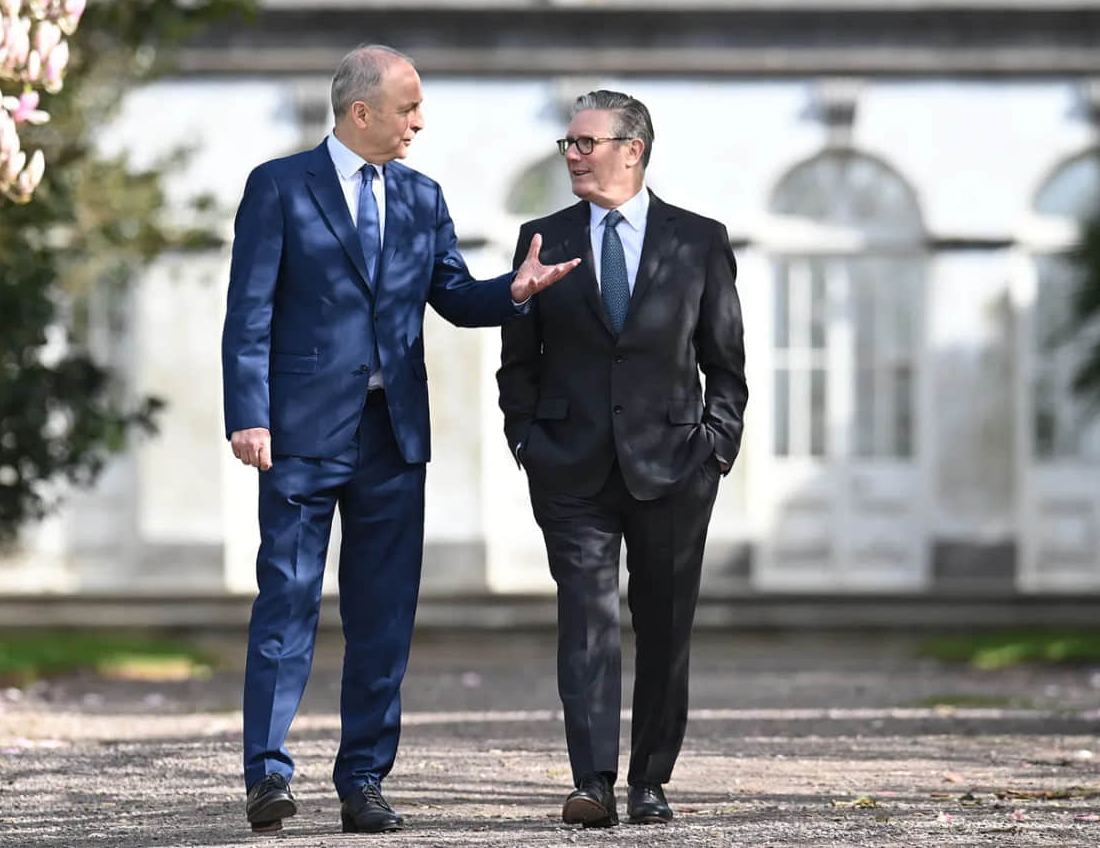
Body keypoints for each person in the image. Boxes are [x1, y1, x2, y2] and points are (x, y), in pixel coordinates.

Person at [221, 44, 579, 835]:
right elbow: (249, 311)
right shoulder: (279, 186)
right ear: (361, 112)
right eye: (408, 107)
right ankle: (267, 773)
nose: (419, 121)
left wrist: (515, 290)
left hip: (392, 436)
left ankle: (363, 780)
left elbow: (453, 294)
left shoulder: (422, 195)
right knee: (287, 600)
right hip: (299, 434)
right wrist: (248, 414)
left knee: (383, 617)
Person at [497, 89, 747, 828]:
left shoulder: (698, 240)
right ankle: (593, 781)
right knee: (585, 620)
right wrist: (526, 440)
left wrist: (716, 449)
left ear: (632, 150)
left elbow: (725, 362)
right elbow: (519, 361)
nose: (572, 155)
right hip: (569, 466)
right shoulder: (541, 238)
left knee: (664, 628)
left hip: (674, 466)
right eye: (568, 144)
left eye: (586, 143)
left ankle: (650, 780)